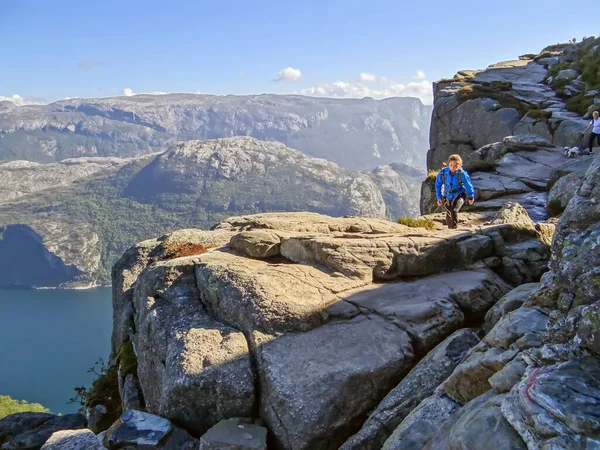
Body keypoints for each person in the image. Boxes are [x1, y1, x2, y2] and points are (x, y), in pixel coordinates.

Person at [435, 154, 475, 229]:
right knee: (448, 213)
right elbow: (438, 185)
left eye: (456, 166)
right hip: (447, 196)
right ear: (448, 164)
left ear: (460, 165)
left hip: (459, 195)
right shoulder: (443, 173)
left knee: (454, 210)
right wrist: (439, 198)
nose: (453, 167)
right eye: (451, 165)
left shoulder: (462, 174)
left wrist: (471, 196)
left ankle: (454, 229)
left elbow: (468, 185)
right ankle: (450, 229)